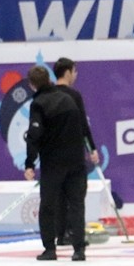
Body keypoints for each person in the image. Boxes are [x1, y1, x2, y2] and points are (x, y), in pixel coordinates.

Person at [23, 64, 89, 262]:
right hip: (76, 161)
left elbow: (34, 135)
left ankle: (50, 249)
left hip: (54, 163)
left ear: (32, 85)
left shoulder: (39, 104)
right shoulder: (68, 99)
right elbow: (81, 128)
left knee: (48, 206)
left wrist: (29, 164)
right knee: (76, 205)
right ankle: (79, 249)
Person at [51, 57, 100, 247]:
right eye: (75, 71)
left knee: (59, 196)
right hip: (73, 154)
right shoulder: (74, 95)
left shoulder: (47, 95)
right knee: (76, 196)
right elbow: (83, 125)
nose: (76, 75)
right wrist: (92, 149)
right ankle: (73, 233)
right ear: (68, 72)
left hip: (54, 155)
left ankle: (60, 234)